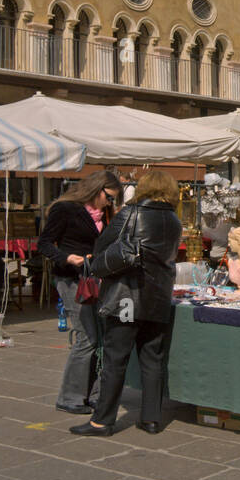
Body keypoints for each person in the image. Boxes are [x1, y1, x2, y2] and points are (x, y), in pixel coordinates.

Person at [71, 171, 183, 436]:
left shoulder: (131, 213)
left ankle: (102, 421)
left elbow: (101, 248)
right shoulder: (174, 220)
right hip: (158, 298)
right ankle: (151, 419)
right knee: (152, 359)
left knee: (115, 360)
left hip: (126, 297)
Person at [39, 171, 122, 416]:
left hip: (95, 279)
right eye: (108, 197)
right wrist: (67, 258)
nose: (110, 202)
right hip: (72, 279)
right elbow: (44, 243)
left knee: (99, 338)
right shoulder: (66, 209)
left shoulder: (106, 214)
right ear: (97, 189)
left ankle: (94, 394)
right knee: (87, 337)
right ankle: (70, 396)